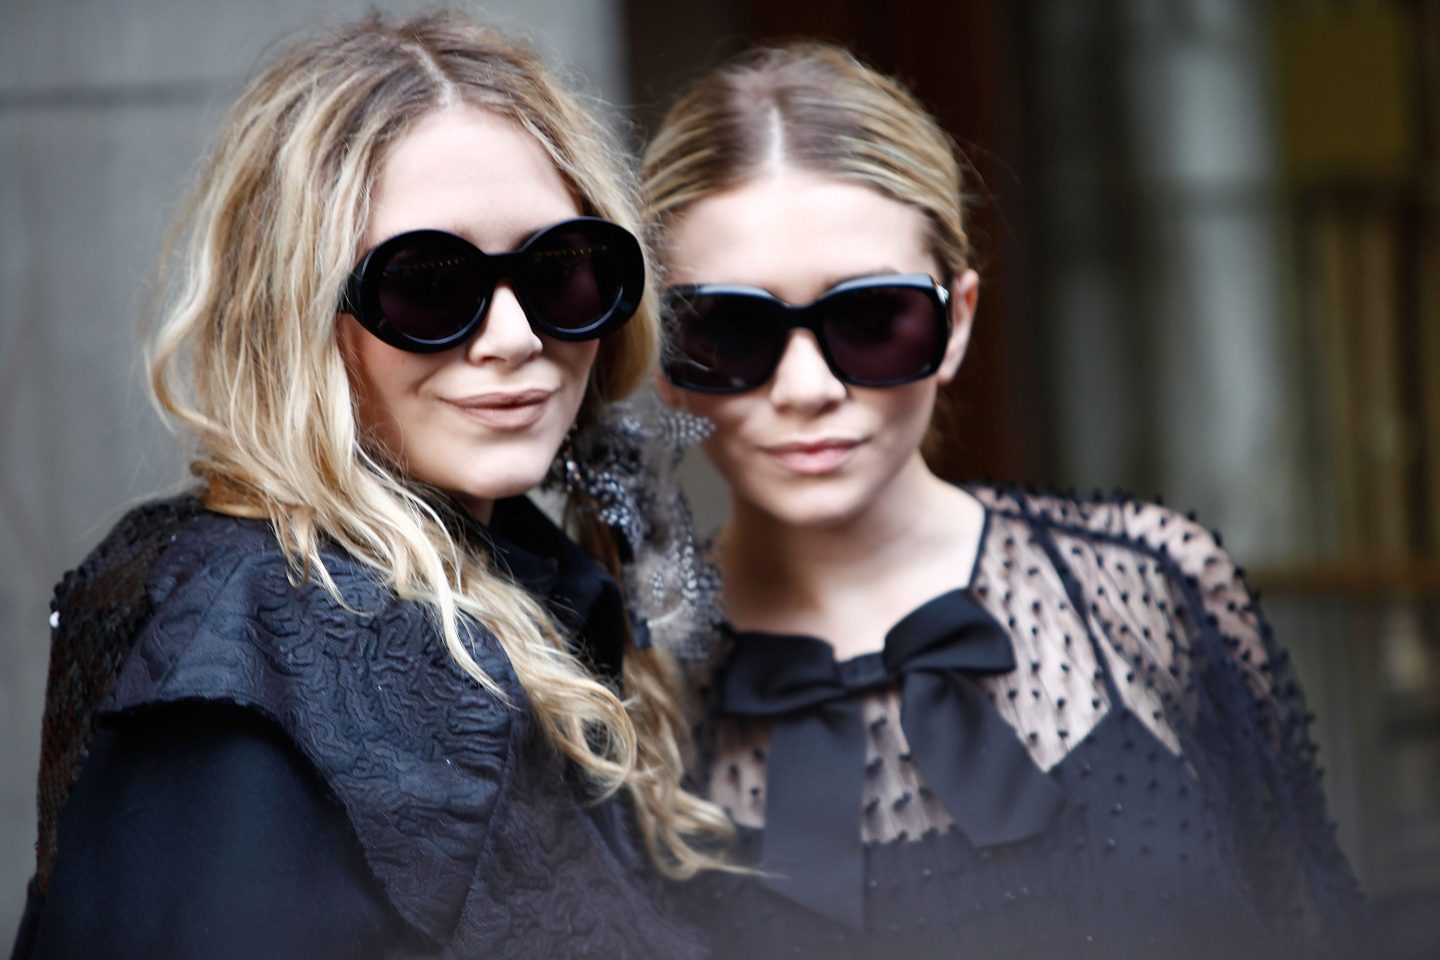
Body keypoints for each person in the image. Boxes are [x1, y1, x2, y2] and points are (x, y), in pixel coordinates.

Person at [12, 12, 731, 959]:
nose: (515, 339)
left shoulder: (534, 572)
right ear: (297, 314)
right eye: (429, 284)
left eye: (559, 271)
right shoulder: (257, 640)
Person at [642, 43, 1365, 960]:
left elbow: (1321, 929)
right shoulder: (630, 686)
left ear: (958, 322)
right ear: (660, 354)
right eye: (729, 329)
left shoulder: (1152, 587)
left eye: (870, 317)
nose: (807, 386)